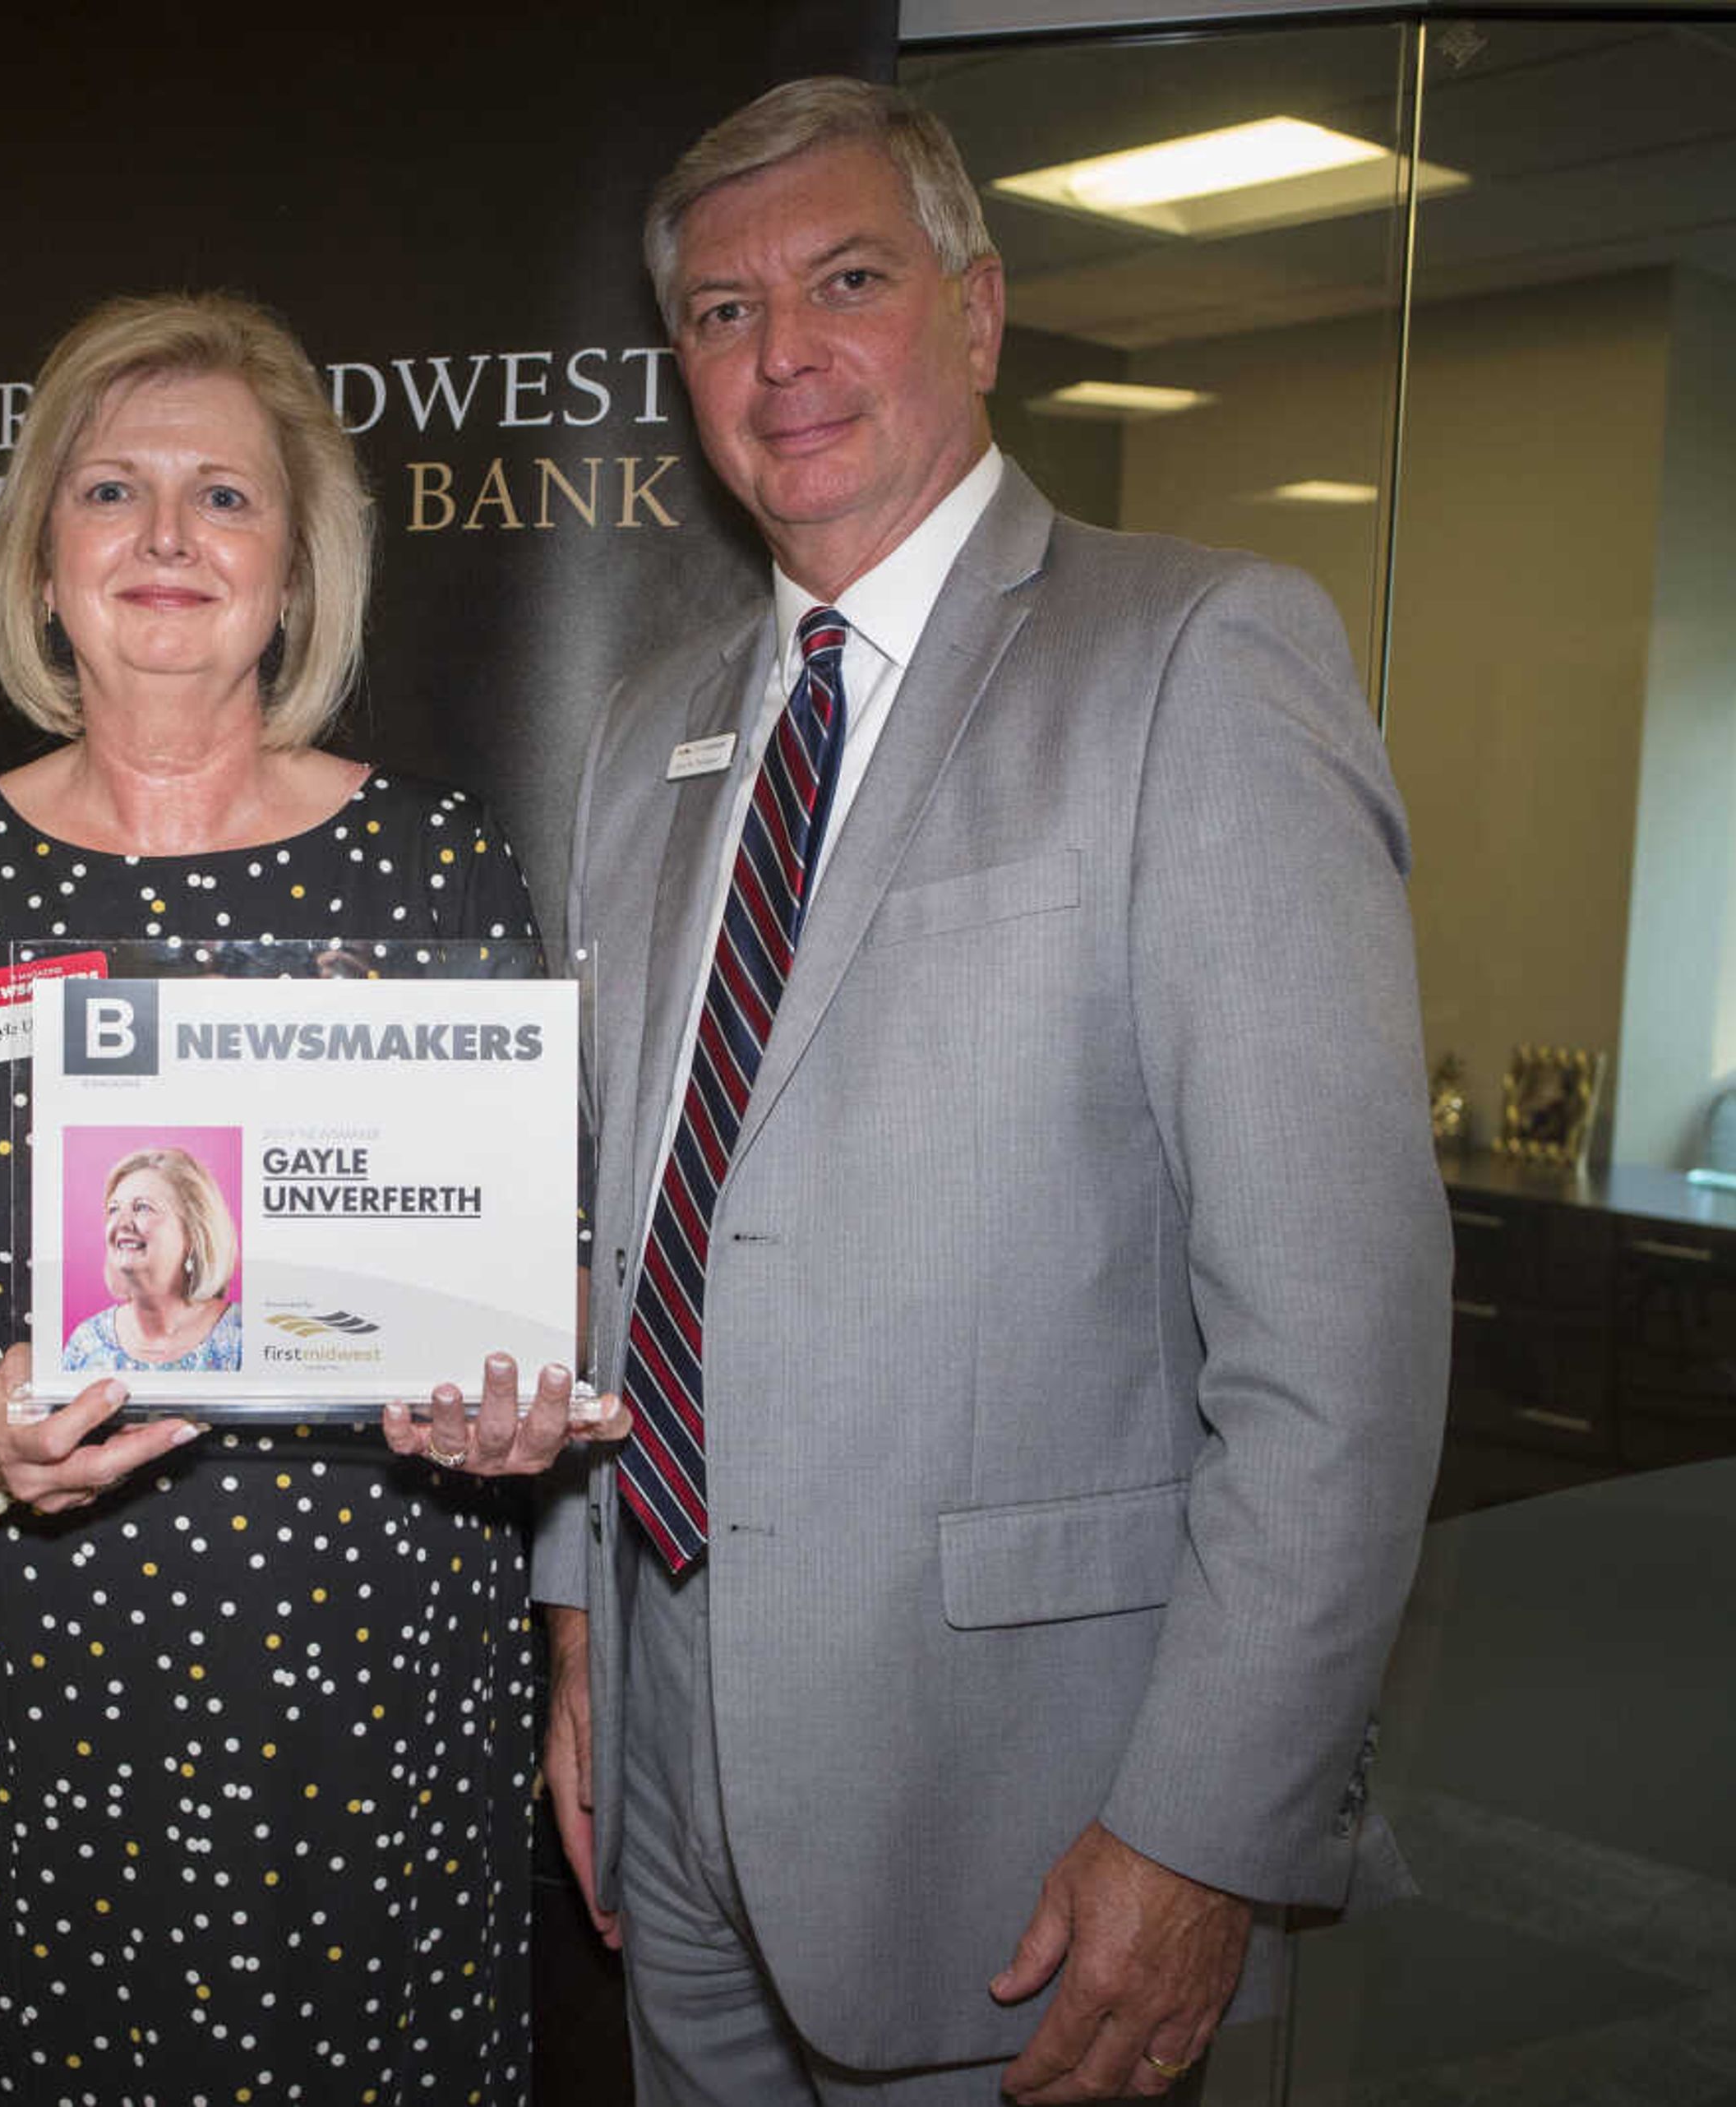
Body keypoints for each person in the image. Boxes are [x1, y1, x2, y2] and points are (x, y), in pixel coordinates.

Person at [534, 77, 1450, 2105]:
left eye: (843, 281)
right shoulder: (649, 729)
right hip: (674, 1754)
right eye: (716, 312)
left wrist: (1207, 1824)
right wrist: (582, 1624)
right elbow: (625, 1224)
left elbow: (1340, 1339)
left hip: (1024, 1800)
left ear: (975, 308)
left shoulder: (1197, 661)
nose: (780, 355)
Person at [0, 289, 625, 2104]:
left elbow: (540, 1246)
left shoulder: (438, 860)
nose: (166, 540)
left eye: (224, 499)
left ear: (299, 570)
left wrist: (516, 1391)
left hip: (379, 1694)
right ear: (39, 559)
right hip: (41, 1704)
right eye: (112, 494)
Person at [60, 1144, 242, 1371]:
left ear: (194, 1233)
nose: (121, 1223)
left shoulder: (243, 1336)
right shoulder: (86, 1343)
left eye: (143, 1207)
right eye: (114, 1209)